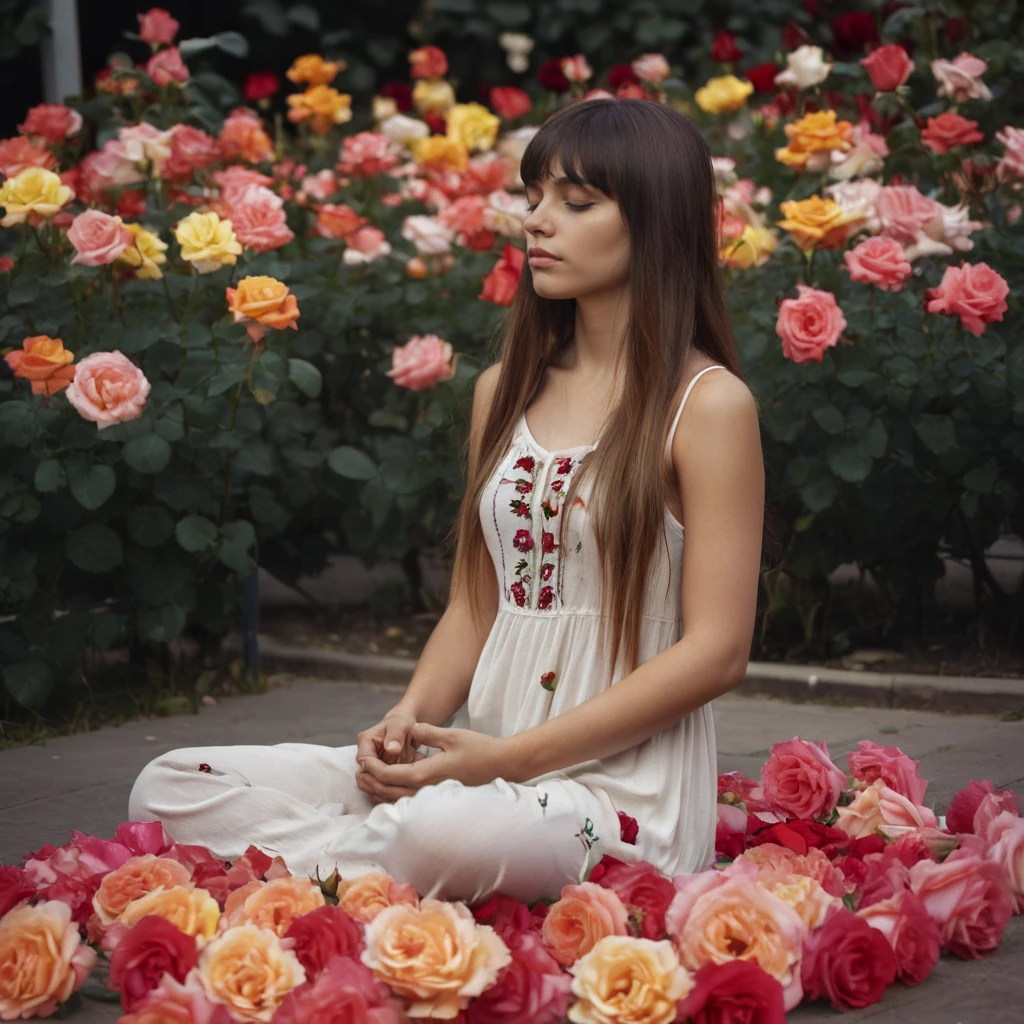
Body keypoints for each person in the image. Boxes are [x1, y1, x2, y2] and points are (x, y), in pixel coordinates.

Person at [128, 97, 766, 905]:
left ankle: (329, 867)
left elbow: (718, 651)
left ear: (658, 222)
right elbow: (476, 600)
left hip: (613, 799)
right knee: (171, 783)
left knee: (441, 834)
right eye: (533, 197)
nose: (537, 221)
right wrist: (407, 720)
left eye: (575, 203)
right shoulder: (504, 391)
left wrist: (503, 764)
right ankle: (366, 856)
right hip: (473, 763)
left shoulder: (708, 405)